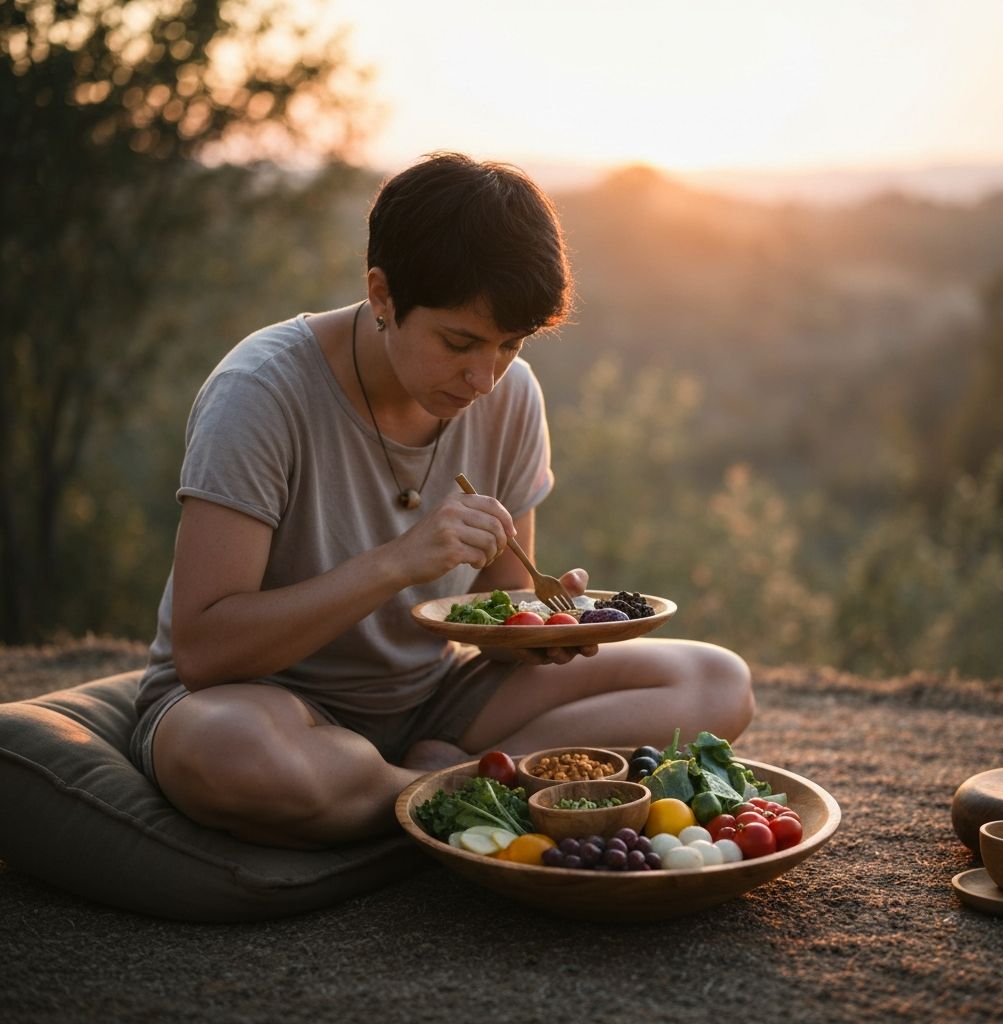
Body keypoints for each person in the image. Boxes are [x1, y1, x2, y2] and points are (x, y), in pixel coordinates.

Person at [130, 152, 753, 850]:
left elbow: (498, 605)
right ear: (382, 294)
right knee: (231, 755)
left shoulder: (511, 397)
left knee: (715, 682)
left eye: (509, 345)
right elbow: (205, 652)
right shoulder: (261, 393)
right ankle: (461, 792)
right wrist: (398, 561)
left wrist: (541, 630)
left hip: (433, 700)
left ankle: (431, 788)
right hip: (264, 701)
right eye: (459, 343)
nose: (484, 379)